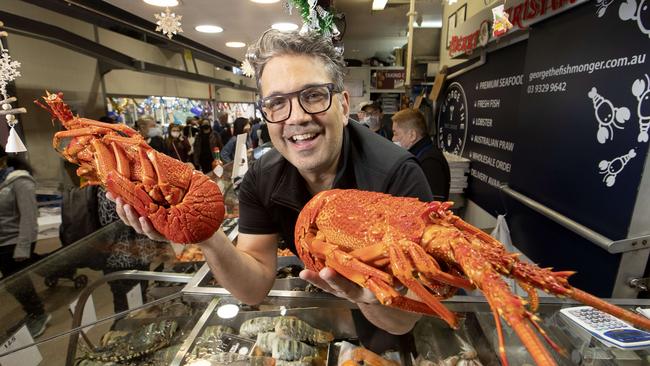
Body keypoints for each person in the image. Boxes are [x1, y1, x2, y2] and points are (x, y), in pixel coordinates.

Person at [109, 29, 433, 336]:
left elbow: (406, 321)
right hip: (318, 311)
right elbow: (254, 288)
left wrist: (367, 297)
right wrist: (207, 236)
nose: (296, 117)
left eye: (314, 95)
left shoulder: (397, 174)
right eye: (277, 103)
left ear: (344, 105)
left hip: (382, 323)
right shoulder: (262, 177)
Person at [0, 146, 51, 337]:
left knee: (18, 283)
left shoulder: (20, 181)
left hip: (14, 241)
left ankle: (39, 314)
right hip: (2, 242)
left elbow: (29, 217)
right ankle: (31, 312)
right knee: (14, 282)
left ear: (3, 161)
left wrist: (23, 247)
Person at [392, 108, 451, 201]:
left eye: (396, 134)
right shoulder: (416, 155)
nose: (393, 139)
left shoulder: (430, 161)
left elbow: (433, 204)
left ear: (412, 135)